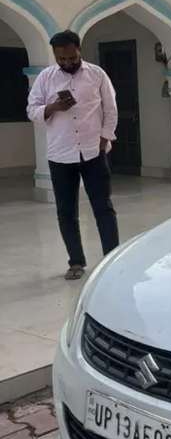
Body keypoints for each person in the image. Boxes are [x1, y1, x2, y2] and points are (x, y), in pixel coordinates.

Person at [27, 30, 119, 280]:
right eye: (61, 59)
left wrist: (104, 139)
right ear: (55, 56)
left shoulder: (97, 74)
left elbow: (111, 109)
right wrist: (54, 106)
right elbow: (31, 109)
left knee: (103, 208)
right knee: (66, 212)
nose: (67, 63)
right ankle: (76, 262)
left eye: (71, 57)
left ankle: (112, 259)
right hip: (60, 155)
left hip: (93, 152)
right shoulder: (46, 78)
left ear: (79, 50)